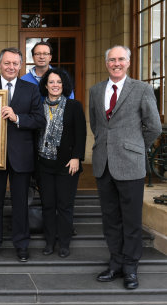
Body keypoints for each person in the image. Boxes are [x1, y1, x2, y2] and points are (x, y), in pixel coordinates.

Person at [90, 45, 162, 289]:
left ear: (128, 62)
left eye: (121, 59)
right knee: (110, 219)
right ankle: (116, 263)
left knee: (131, 219)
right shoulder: (96, 90)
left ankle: (131, 268)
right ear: (106, 62)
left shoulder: (141, 89)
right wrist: (107, 147)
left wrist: (134, 148)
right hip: (104, 164)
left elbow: (154, 126)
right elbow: (97, 126)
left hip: (130, 164)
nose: (116, 63)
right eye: (112, 59)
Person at [0, 47, 46, 262]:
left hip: (22, 157)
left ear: (21, 66)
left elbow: (39, 120)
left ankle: (21, 245)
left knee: (21, 205)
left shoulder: (31, 89)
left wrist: (17, 117)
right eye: (7, 63)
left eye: (15, 63)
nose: (11, 67)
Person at [36, 68, 86, 258]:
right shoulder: (39, 107)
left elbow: (81, 134)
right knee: (48, 205)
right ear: (46, 85)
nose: (55, 85)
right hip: (44, 164)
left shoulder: (74, 106)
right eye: (51, 82)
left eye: (59, 82)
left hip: (67, 165)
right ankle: (50, 242)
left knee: (64, 206)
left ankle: (64, 243)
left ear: (63, 85)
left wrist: (76, 157)